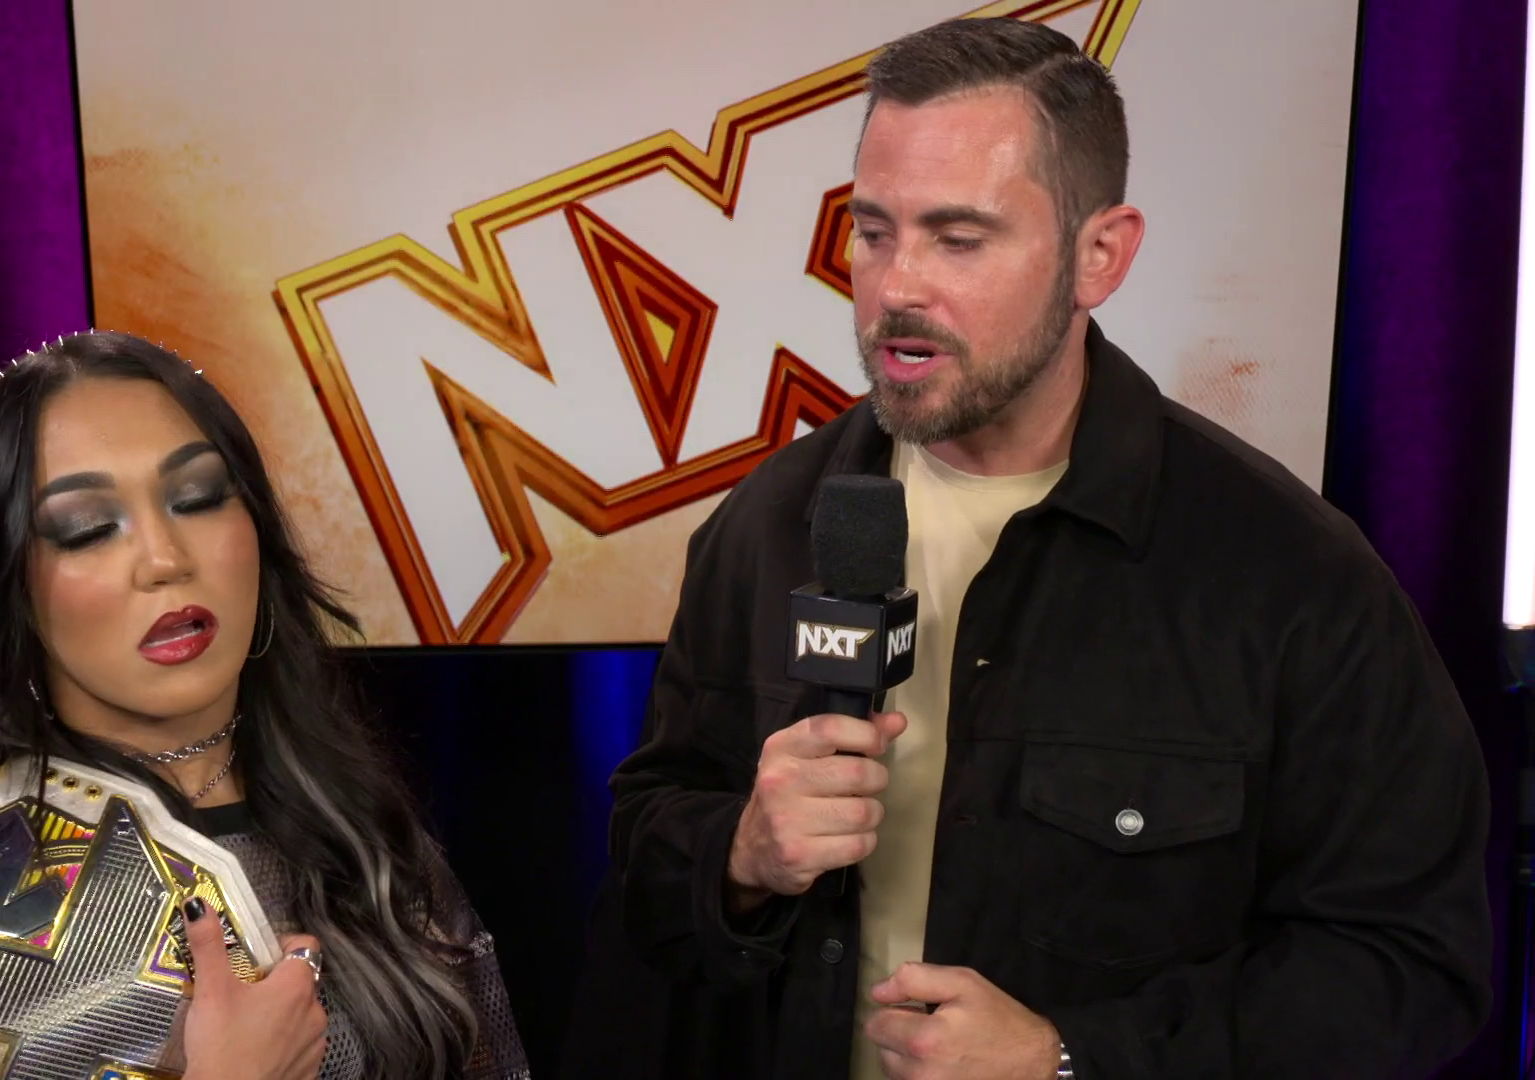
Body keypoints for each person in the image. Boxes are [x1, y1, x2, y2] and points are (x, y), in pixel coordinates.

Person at [598, 17, 1492, 1080]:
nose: (896, 288)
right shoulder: (767, 525)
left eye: (958, 239)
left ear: (1099, 255)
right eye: (874, 232)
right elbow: (649, 866)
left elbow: (1407, 970)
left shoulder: (1292, 579)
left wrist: (1072, 1059)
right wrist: (742, 858)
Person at [0, 331, 529, 1080]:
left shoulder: (366, 841)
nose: (164, 559)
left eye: (199, 498)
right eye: (87, 529)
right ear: (11, 588)